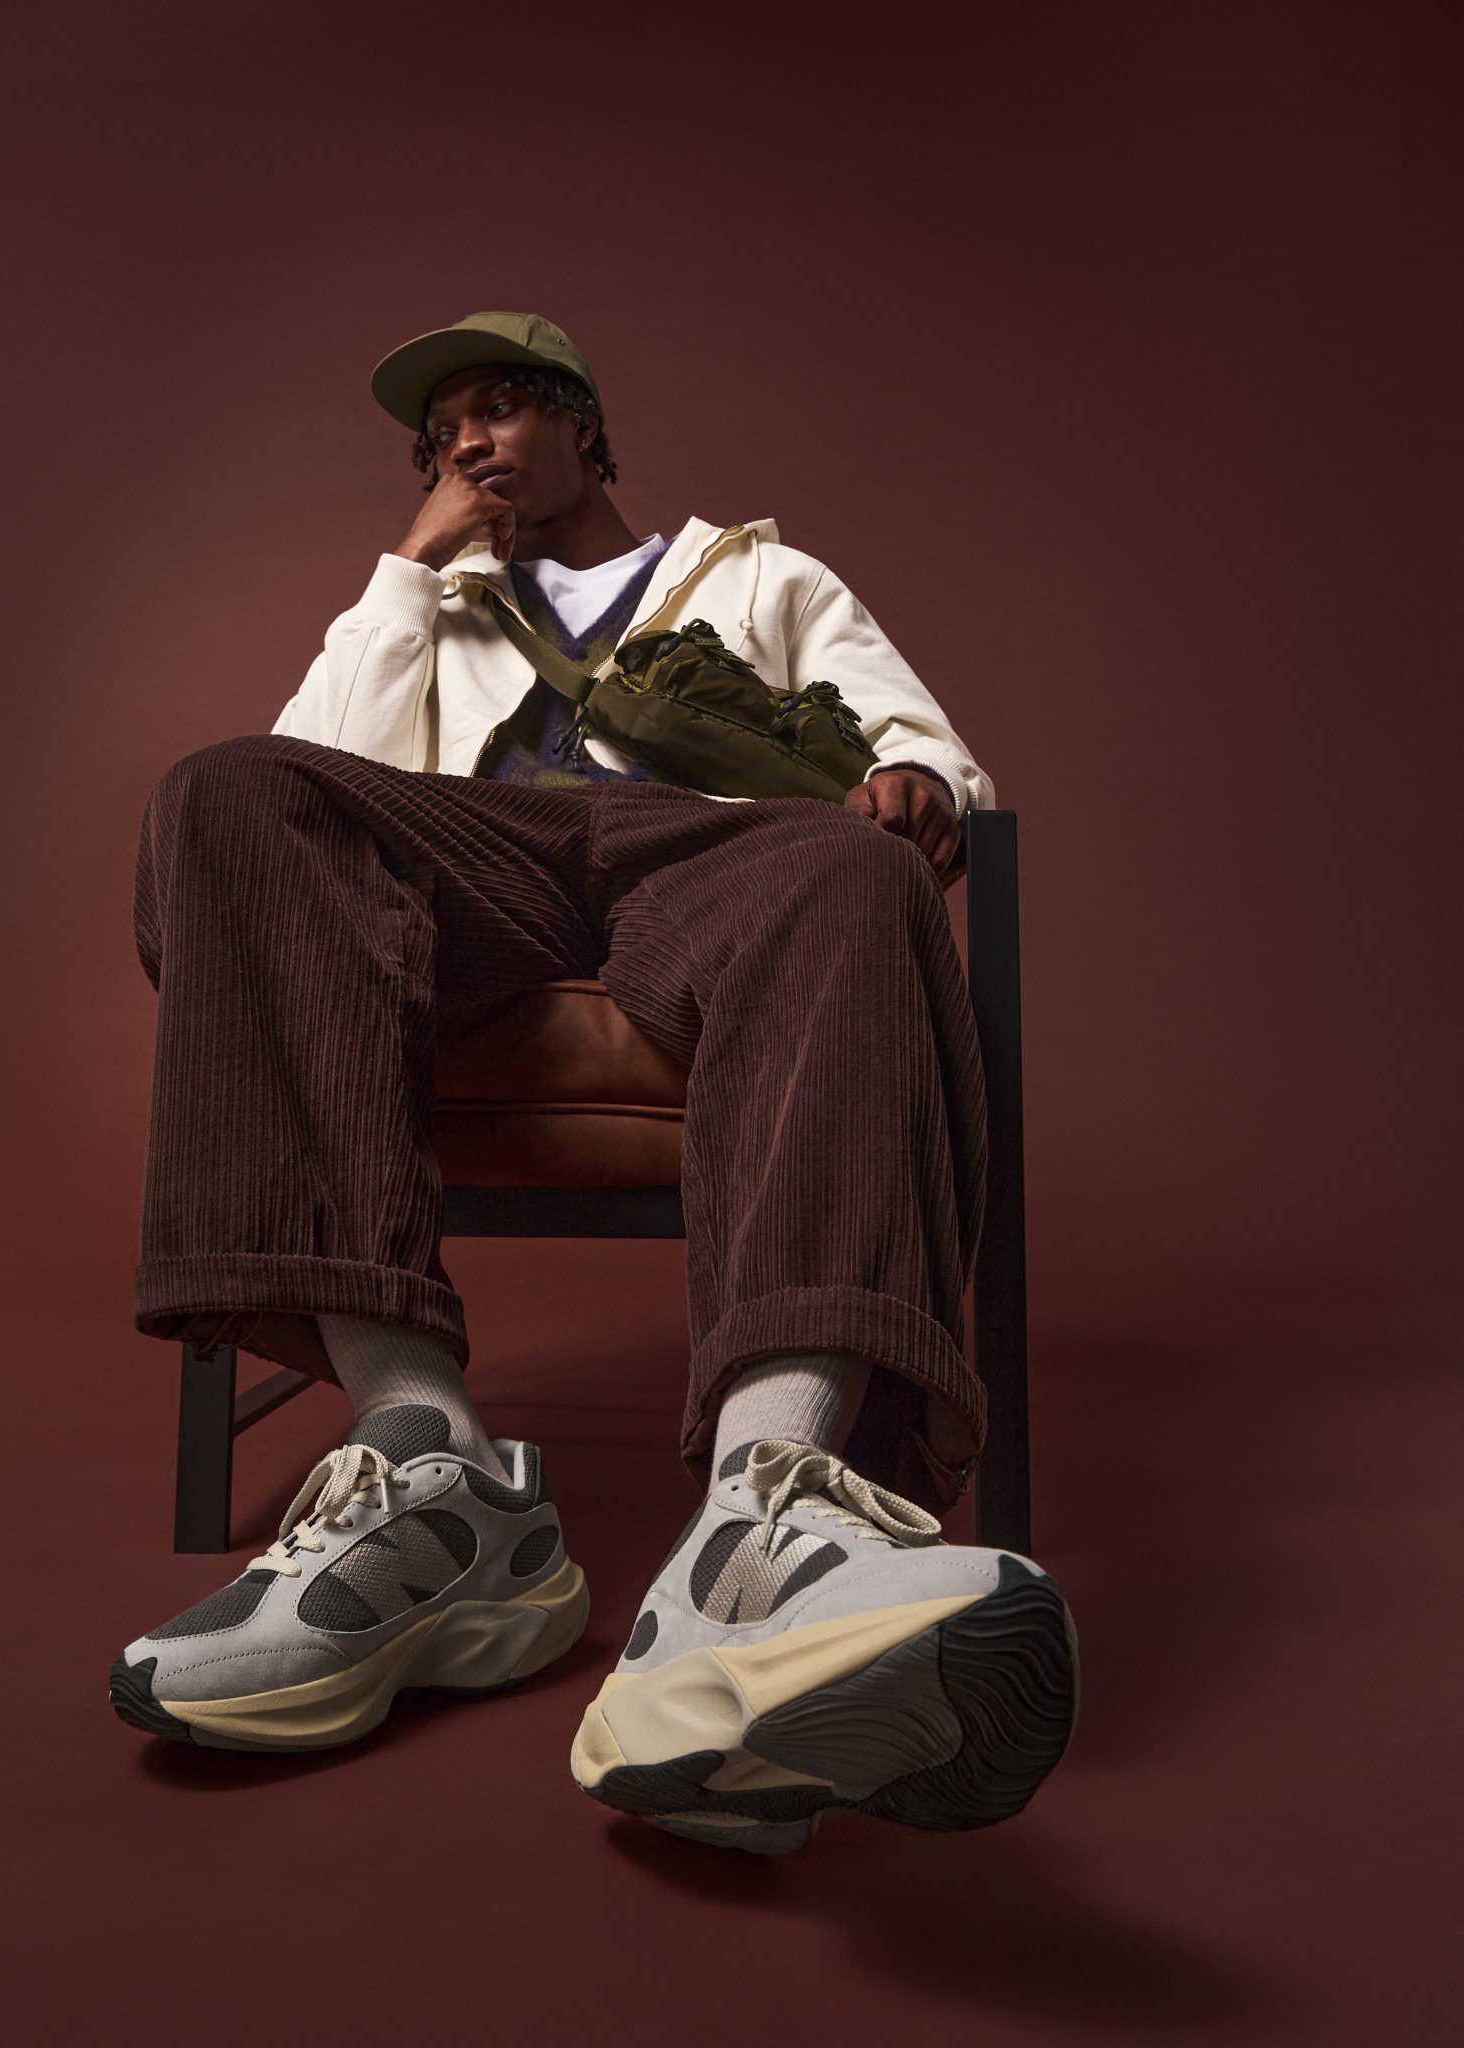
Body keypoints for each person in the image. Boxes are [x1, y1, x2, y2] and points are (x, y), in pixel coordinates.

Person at [110, 311, 1077, 1853]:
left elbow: (923, 754)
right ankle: (422, 1464)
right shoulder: (429, 601)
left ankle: (770, 1519)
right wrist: (410, 573)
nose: (468, 443)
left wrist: (911, 784)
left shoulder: (762, 578)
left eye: (500, 407)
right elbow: (311, 777)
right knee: (224, 793)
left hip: (705, 850)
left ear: (582, 423)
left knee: (852, 872)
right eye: (441, 434)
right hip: (471, 871)